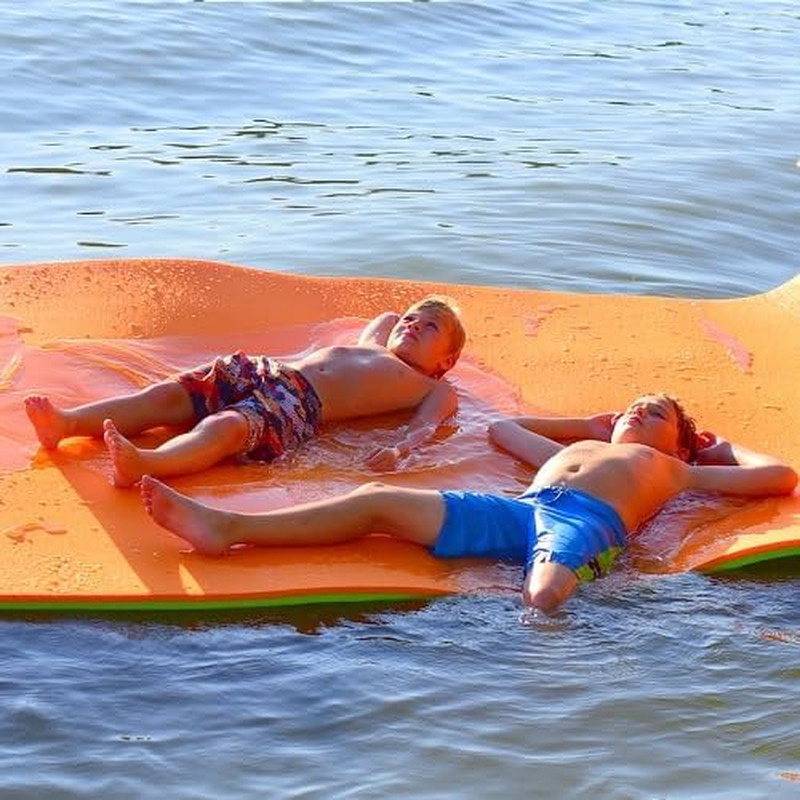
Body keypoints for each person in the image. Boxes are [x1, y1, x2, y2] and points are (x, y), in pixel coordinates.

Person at [139, 393, 797, 612]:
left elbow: (779, 477)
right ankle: (228, 526)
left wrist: (722, 448)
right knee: (377, 498)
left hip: (586, 524)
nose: (637, 411)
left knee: (545, 594)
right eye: (631, 406)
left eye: (655, 413)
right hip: (522, 507)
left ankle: (536, 674)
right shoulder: (576, 447)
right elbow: (504, 429)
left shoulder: (675, 470)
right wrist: (584, 425)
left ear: (678, 441)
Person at [24, 296, 466, 487]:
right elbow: (388, 316)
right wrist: (421, 317)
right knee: (167, 397)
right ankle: (68, 423)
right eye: (411, 319)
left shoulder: (432, 388)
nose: (412, 326)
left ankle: (148, 464)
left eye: (429, 329)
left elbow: (425, 427)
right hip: (263, 369)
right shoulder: (378, 340)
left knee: (227, 427)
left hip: (298, 403)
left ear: (446, 361)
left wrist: (399, 450)